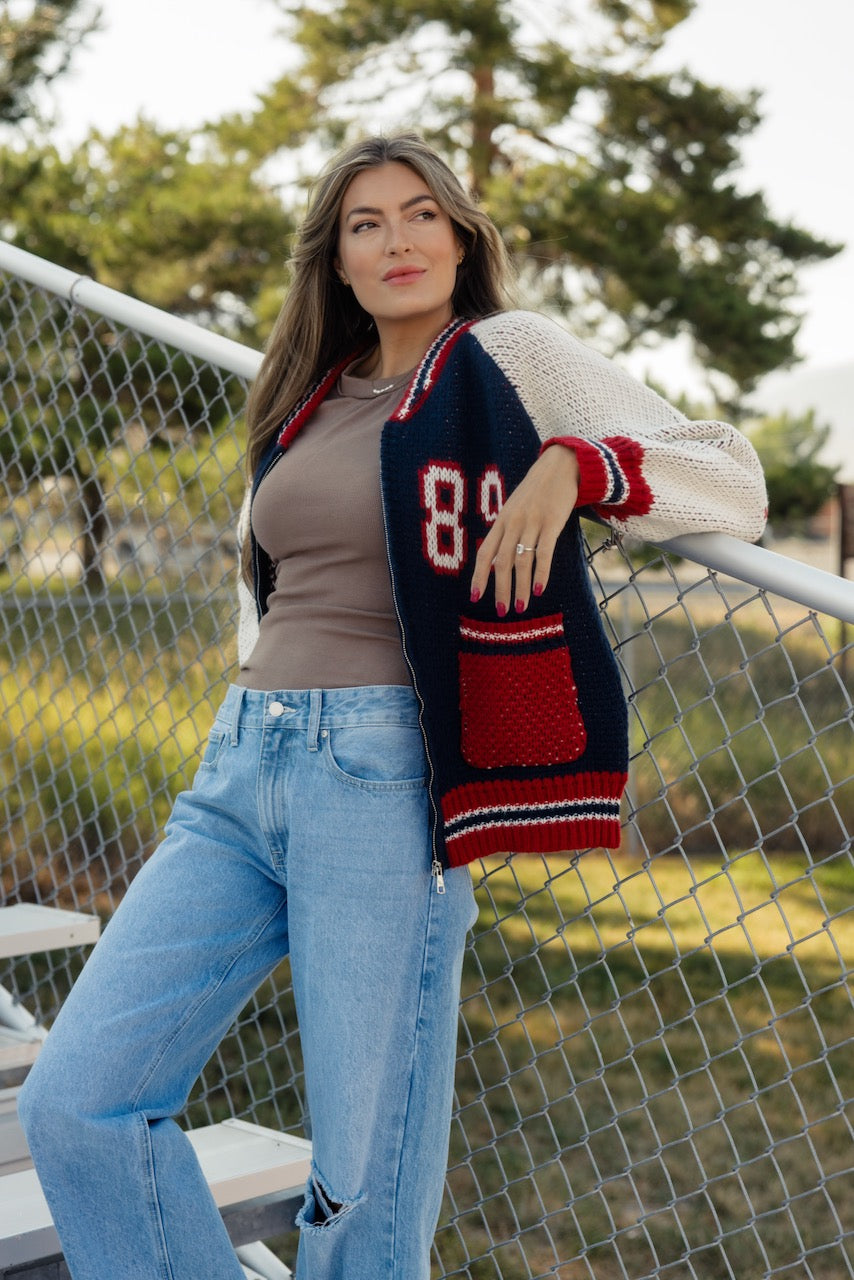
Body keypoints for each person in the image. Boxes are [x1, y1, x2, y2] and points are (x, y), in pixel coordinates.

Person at [18, 132, 767, 1280]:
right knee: (78, 1102)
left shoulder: (506, 353)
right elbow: (273, 586)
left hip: (381, 784)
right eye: (365, 223)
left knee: (358, 1188)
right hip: (237, 768)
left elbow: (730, 476)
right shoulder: (305, 393)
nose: (396, 238)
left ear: (461, 237)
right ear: (339, 262)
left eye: (420, 213)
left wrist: (573, 464)